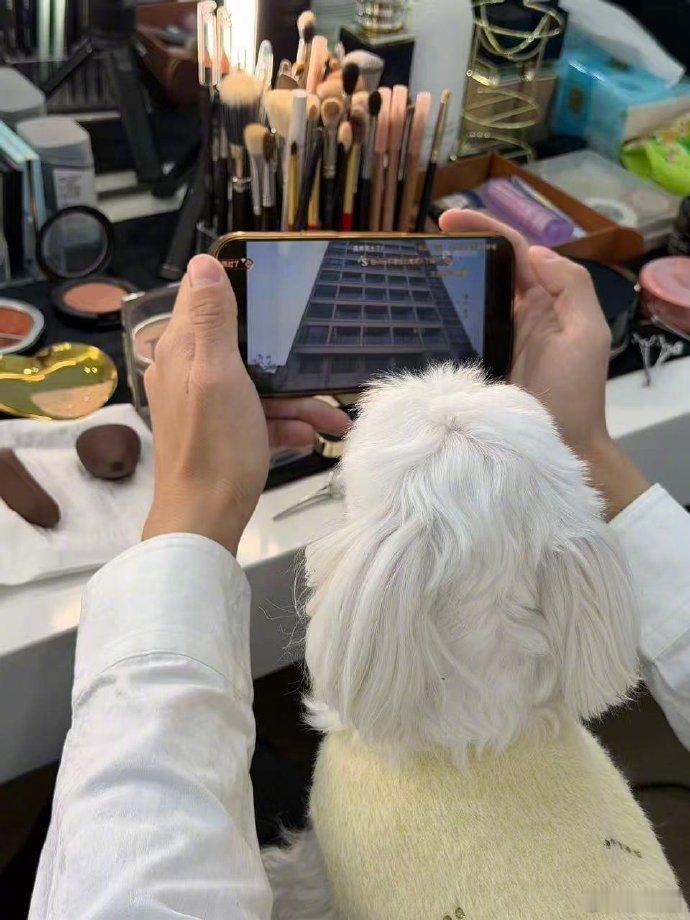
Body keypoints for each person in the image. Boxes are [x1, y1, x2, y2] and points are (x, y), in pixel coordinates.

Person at [28, 211, 690, 918]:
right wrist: (580, 442)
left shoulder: (364, 751)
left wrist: (192, 505)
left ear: (352, 566)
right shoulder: (585, 592)